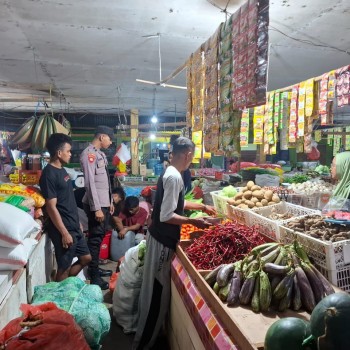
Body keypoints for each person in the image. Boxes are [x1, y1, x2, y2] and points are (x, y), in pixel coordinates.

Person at [132, 137, 211, 350]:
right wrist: (193, 220)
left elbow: (177, 202)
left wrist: (202, 208)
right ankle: (143, 344)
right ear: (186, 155)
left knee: (154, 291)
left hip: (160, 238)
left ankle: (146, 339)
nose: (191, 161)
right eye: (192, 157)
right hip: (162, 241)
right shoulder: (175, 177)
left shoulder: (170, 172)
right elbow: (167, 215)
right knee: (155, 295)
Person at [39, 133, 91, 282]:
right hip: (64, 228)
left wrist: (78, 221)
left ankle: (65, 285)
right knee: (64, 266)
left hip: (73, 224)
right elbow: (51, 206)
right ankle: (58, 297)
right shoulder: (48, 174)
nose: (70, 154)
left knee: (86, 258)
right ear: (59, 152)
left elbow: (67, 199)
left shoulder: (62, 170)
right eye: (68, 151)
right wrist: (64, 232)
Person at [80, 125, 114, 290]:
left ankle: (95, 268)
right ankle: (94, 277)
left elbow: (105, 182)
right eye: (109, 138)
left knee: (99, 238)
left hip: (103, 203)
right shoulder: (89, 154)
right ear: (101, 137)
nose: (111, 142)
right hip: (96, 205)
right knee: (95, 240)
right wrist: (97, 208)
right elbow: (90, 183)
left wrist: (110, 203)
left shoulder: (99, 154)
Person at [111, 196, 148, 261]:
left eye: (132, 209)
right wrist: (122, 229)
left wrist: (126, 229)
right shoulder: (125, 210)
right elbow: (118, 220)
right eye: (129, 209)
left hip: (137, 233)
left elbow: (137, 226)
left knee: (140, 242)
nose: (130, 211)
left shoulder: (143, 212)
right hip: (125, 232)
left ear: (137, 206)